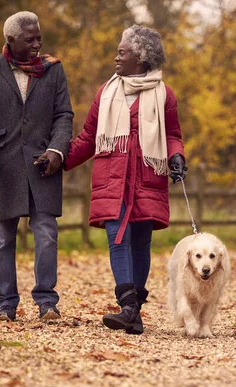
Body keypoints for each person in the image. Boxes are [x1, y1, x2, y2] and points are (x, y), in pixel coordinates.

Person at [64, 25, 186, 334]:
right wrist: (60, 160)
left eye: (123, 52)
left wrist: (177, 156)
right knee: (117, 238)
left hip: (147, 177)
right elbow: (89, 137)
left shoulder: (164, 94)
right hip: (113, 179)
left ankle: (132, 312)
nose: (116, 57)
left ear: (141, 57)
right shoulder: (106, 92)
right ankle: (128, 306)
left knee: (141, 243)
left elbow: (172, 135)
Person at [0, 11, 74, 322]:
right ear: (11, 40)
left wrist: (57, 149)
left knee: (46, 233)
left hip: (44, 164)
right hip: (2, 167)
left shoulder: (54, 71)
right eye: (30, 39)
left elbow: (64, 116)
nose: (38, 43)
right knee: (3, 238)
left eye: (39, 36)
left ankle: (47, 303)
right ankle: (6, 305)